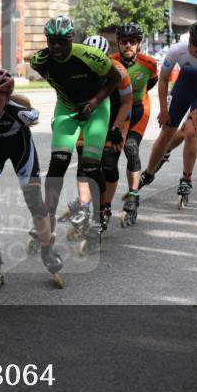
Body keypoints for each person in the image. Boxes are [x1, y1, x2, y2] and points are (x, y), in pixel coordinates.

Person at [29, 16, 125, 252]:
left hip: (97, 108)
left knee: (91, 165)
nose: (57, 47)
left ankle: (98, 216)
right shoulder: (39, 61)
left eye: (62, 42)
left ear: (71, 39)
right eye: (52, 42)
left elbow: (115, 79)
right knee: (57, 164)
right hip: (67, 109)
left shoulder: (90, 56)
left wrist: (92, 103)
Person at [0, 68, 61, 290]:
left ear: (7, 100)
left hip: (21, 151)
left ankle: (47, 248)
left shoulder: (21, 114)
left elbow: (35, 114)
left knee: (34, 200)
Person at [139, 21, 197, 209]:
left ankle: (186, 178)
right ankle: (149, 171)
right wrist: (163, 109)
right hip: (183, 89)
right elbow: (163, 79)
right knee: (166, 132)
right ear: (189, 40)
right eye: (194, 43)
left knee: (190, 132)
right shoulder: (176, 50)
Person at [62, 34, 132, 249]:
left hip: (115, 117)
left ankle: (105, 208)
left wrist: (116, 128)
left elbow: (128, 101)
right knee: (86, 163)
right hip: (90, 115)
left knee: (108, 165)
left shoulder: (118, 70)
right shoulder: (77, 68)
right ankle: (84, 206)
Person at [111, 22, 158, 226]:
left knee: (131, 147)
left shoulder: (149, 64)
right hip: (117, 110)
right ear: (118, 44)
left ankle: (133, 193)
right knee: (109, 153)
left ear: (139, 44)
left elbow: (152, 82)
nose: (128, 45)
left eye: (132, 42)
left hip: (139, 107)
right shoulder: (109, 61)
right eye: (124, 42)